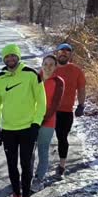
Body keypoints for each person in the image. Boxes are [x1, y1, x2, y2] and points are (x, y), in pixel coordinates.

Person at [0, 42, 46, 197]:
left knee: (26, 164)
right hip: (8, 129)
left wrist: (36, 123)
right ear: (4, 59)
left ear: (18, 56)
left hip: (27, 128)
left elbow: (41, 101)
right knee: (11, 164)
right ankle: (16, 194)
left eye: (13, 55)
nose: (10, 58)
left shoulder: (31, 74)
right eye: (7, 56)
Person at [54, 42, 87, 176]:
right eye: (61, 51)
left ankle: (62, 166)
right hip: (48, 111)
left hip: (66, 111)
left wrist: (81, 105)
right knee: (41, 140)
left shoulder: (76, 70)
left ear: (70, 55)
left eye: (67, 51)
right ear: (56, 53)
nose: (64, 53)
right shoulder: (49, 67)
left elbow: (81, 89)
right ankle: (36, 169)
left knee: (62, 138)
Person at [33, 53, 64, 188]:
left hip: (48, 122)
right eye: (45, 64)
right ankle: (27, 177)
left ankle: (39, 179)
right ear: (42, 65)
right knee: (29, 152)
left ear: (56, 66)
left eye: (51, 64)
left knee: (43, 151)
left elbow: (55, 104)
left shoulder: (58, 81)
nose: (48, 67)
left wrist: (42, 120)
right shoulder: (34, 78)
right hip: (31, 121)